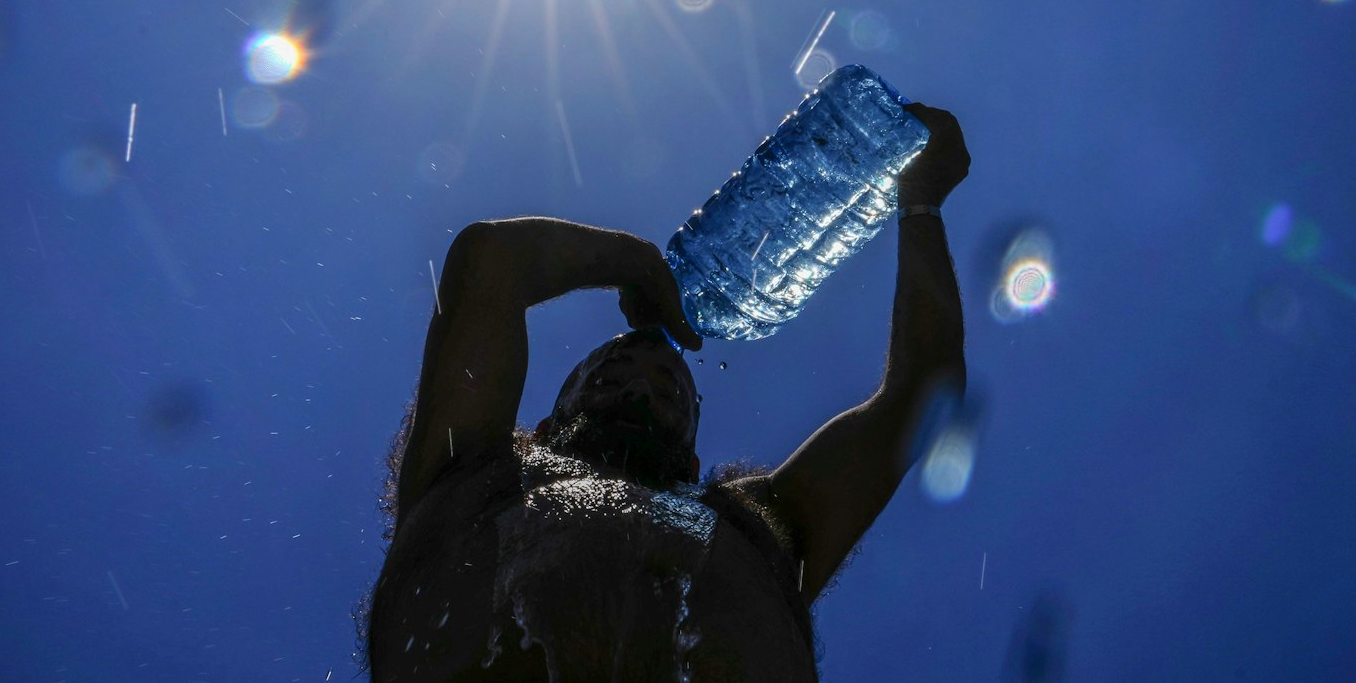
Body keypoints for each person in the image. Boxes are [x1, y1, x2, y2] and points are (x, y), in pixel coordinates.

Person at [364, 103, 970, 681]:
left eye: (668, 388)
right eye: (611, 371)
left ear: (694, 458)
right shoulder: (465, 472)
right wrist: (638, 264)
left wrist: (921, 204)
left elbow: (922, 390)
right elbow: (490, 260)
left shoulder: (762, 526)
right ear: (543, 429)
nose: (643, 380)